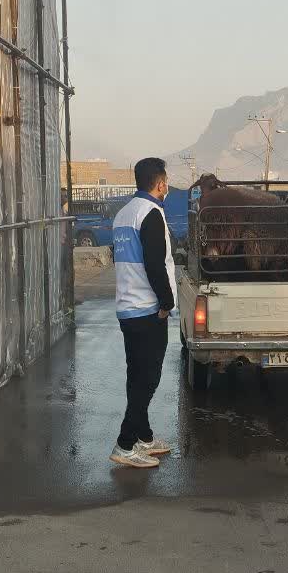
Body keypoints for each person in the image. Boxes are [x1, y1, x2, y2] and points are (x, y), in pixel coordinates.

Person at [109, 157, 177, 469]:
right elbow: (154, 264)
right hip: (148, 310)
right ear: (160, 184)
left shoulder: (124, 214)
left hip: (128, 307)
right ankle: (125, 444)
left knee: (137, 375)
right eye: (166, 182)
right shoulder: (151, 213)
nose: (167, 187)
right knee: (148, 378)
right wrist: (166, 303)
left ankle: (144, 437)